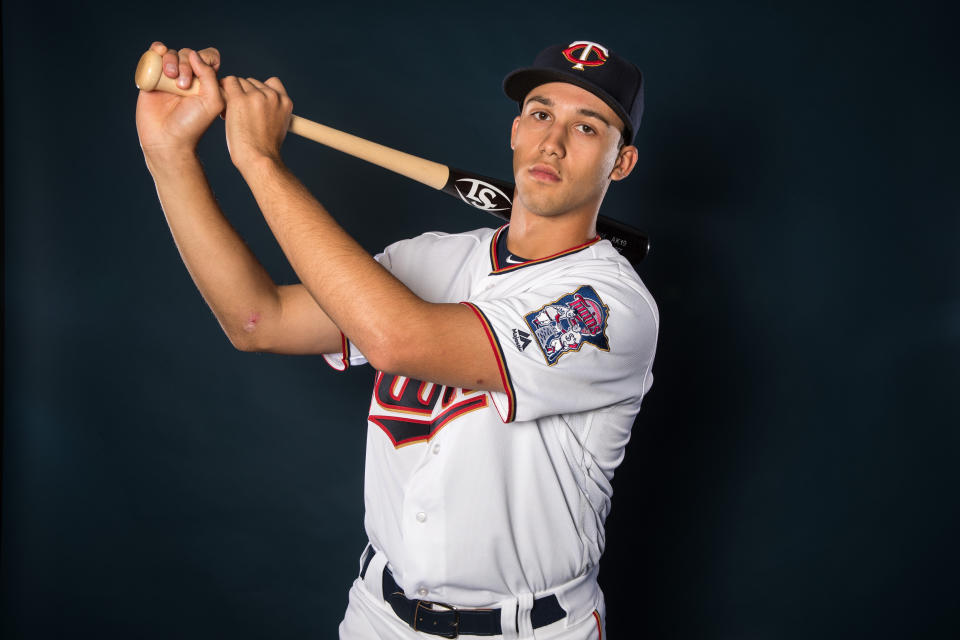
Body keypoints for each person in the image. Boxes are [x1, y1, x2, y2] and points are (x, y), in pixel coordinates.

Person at [136, 39, 658, 639]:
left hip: (528, 628)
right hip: (379, 615)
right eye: (541, 114)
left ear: (621, 163)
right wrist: (169, 154)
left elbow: (395, 339)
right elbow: (259, 320)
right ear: (516, 129)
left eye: (587, 127)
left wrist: (260, 159)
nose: (553, 142)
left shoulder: (611, 310)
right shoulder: (428, 258)